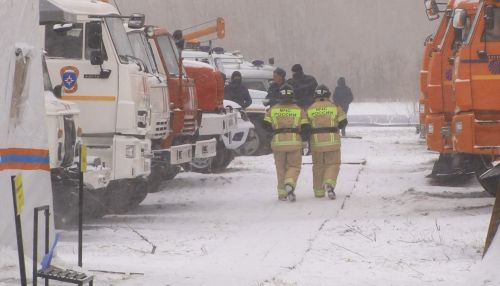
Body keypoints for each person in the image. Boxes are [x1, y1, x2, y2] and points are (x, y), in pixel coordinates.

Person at [262, 84, 310, 202]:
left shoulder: (273, 109)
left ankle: (282, 194)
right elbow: (305, 127)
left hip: (278, 143)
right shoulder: (299, 110)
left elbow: (265, 126)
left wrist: (273, 133)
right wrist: (304, 140)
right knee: (294, 166)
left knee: (280, 168)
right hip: (294, 142)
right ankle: (290, 183)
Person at [305, 84, 348, 200]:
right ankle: (329, 183)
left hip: (316, 143)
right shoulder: (335, 107)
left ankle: (319, 192)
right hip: (332, 142)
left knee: (318, 166)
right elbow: (343, 122)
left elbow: (305, 126)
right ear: (328, 95)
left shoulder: (310, 108)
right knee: (333, 164)